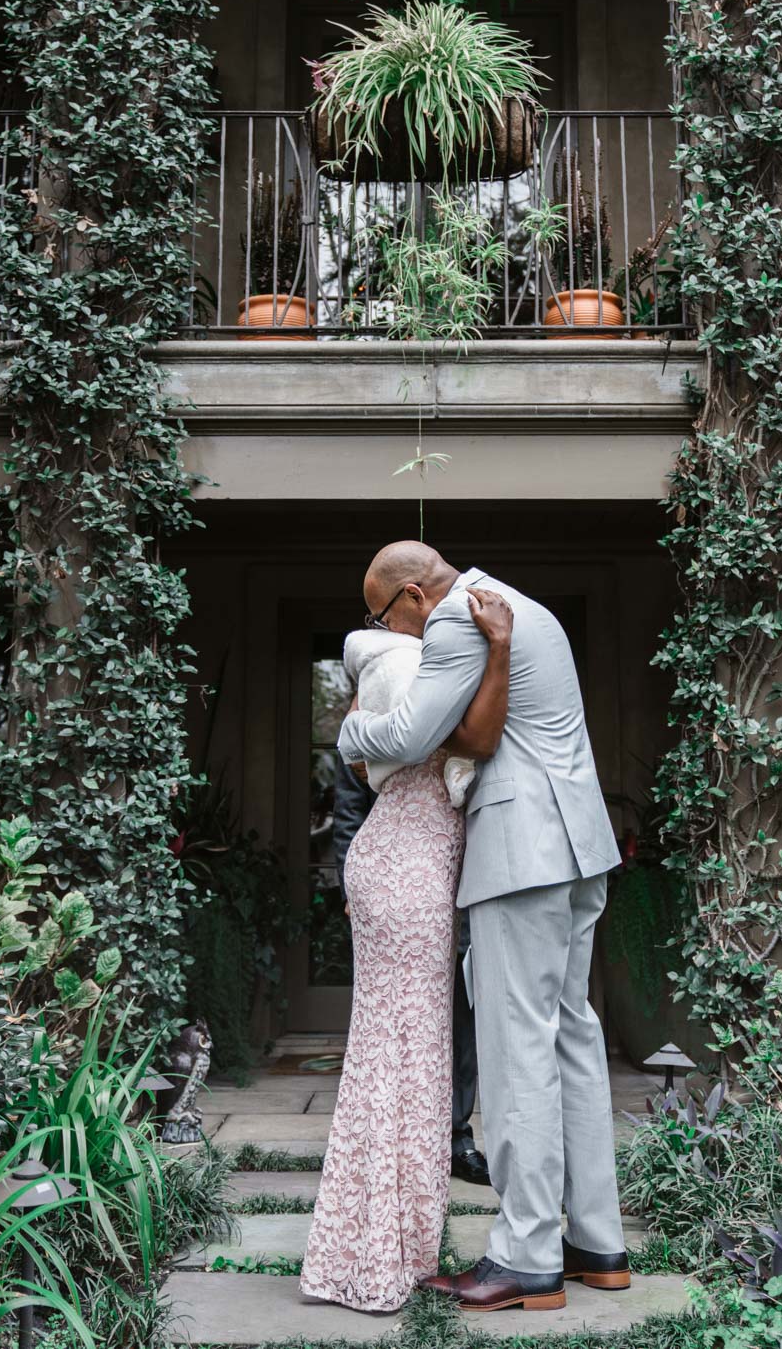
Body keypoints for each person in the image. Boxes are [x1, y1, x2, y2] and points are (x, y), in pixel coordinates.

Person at [337, 542, 628, 1315]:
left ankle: (525, 1255)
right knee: (570, 1033)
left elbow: (406, 738)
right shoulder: (523, 606)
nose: (388, 629)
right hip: (577, 846)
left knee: (515, 1045)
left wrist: (349, 734)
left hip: (520, 850)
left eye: (380, 614)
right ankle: (597, 1242)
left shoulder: (456, 623)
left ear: (406, 596)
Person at [299, 588, 513, 1314]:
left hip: (408, 859)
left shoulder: (405, 675)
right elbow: (461, 744)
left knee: (408, 1053)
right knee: (398, 1054)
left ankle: (386, 1242)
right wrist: (500, 653)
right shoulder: (402, 670)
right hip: (405, 863)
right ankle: (374, 1254)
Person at [332, 756, 489, 1187]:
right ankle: (389, 1143)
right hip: (389, 893)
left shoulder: (454, 706)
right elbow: (349, 808)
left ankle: (457, 1138)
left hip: (453, 882)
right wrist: (350, 890)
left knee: (458, 1019)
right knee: (389, 1027)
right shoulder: (367, 721)